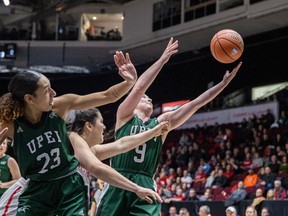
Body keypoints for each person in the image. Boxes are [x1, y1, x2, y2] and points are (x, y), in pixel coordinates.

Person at [0, 51, 162, 215]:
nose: (54, 93)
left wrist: (129, 82)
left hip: (67, 184)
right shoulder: (10, 124)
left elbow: (108, 96)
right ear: (30, 99)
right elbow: (102, 161)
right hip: (36, 187)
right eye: (47, 90)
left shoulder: (60, 107)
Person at [97, 36, 242, 215]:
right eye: (144, 98)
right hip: (118, 179)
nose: (148, 98)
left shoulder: (160, 124)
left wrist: (223, 84)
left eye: (150, 98)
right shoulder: (125, 116)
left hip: (145, 181)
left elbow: (195, 104)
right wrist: (162, 59)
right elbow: (139, 87)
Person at [0, 107, 168, 216]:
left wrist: (153, 132)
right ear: (88, 126)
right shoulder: (71, 139)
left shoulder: (87, 149)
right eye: (101, 122)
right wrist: (136, 188)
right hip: (21, 202)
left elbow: (122, 144)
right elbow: (96, 167)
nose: (104, 126)